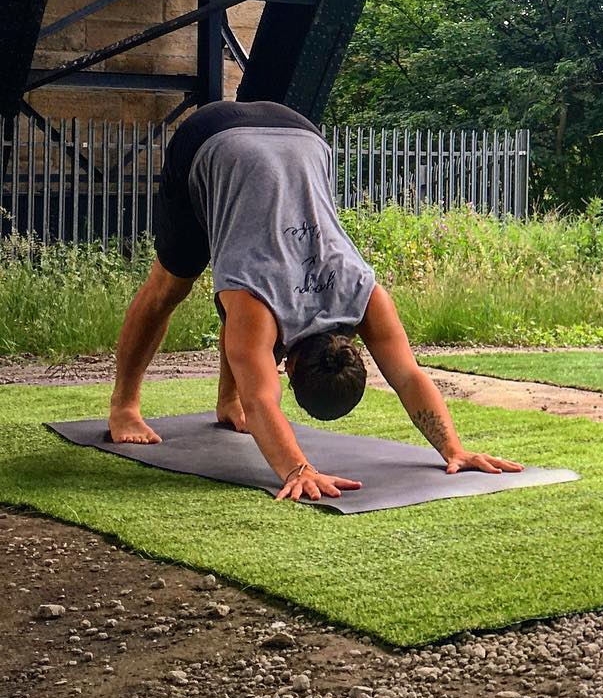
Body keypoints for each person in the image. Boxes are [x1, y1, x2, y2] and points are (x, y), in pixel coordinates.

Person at [107, 100, 520, 501]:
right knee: (169, 287)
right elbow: (263, 399)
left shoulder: (366, 295)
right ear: (289, 365)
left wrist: (454, 449)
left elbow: (409, 376)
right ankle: (124, 405)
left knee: (245, 327)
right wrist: (297, 469)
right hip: (211, 139)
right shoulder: (258, 307)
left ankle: (225, 404)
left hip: (303, 133)